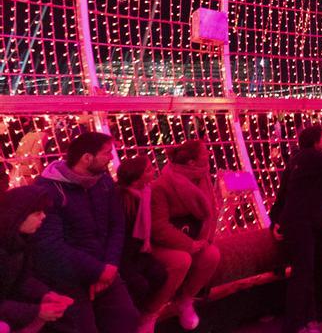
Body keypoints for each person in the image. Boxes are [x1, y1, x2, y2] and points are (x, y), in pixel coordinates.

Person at [32, 131, 140, 333]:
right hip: (68, 276)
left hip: (105, 268)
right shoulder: (48, 189)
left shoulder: (104, 182)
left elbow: (116, 225)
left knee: (127, 319)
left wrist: (110, 266)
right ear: (87, 158)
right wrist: (97, 271)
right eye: (107, 153)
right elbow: (50, 246)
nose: (111, 158)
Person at [270, 126, 322, 333]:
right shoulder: (312, 158)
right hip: (302, 224)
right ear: (316, 142)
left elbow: (309, 197)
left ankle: (307, 318)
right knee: (303, 273)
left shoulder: (298, 160)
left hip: (304, 222)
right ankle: (296, 323)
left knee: (305, 271)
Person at [146, 141, 222, 331]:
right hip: (163, 243)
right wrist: (189, 244)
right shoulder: (163, 186)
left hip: (193, 237)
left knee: (212, 254)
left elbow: (209, 213)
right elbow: (159, 227)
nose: (209, 155)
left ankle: (185, 299)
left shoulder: (202, 178)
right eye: (204, 153)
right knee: (181, 260)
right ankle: (150, 313)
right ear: (191, 162)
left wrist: (203, 240)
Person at [0, 186, 74, 332]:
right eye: (37, 213)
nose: (43, 217)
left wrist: (46, 295)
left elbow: (22, 280)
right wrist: (35, 311)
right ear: (17, 216)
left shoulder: (20, 241)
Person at [114, 157, 167, 332]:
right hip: (125, 254)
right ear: (137, 180)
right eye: (149, 170)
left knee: (160, 274)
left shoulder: (145, 193)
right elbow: (122, 236)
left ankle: (144, 315)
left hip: (139, 250)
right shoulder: (124, 200)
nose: (153, 171)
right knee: (139, 284)